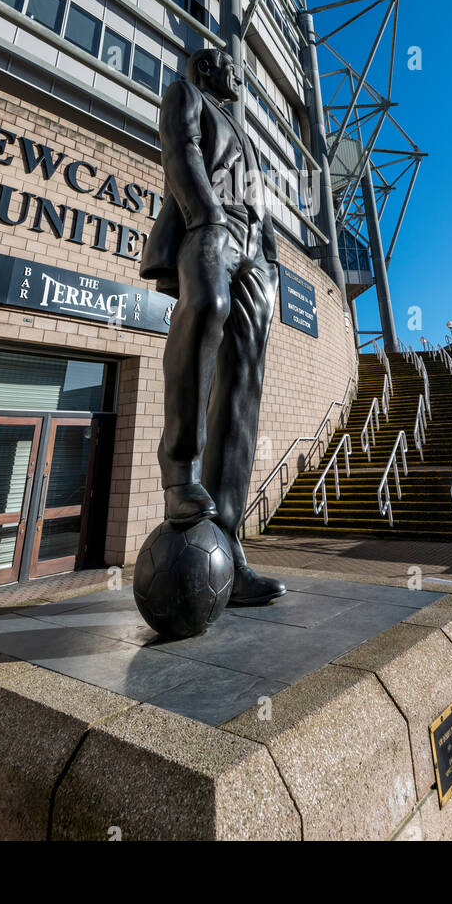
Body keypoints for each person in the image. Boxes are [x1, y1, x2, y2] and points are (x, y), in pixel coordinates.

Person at [141, 47, 286, 605]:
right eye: (228, 63)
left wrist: (270, 258)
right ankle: (178, 469)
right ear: (206, 69)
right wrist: (207, 217)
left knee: (243, 384)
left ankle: (228, 545)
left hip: (254, 251)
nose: (238, 71)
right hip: (210, 228)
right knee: (205, 310)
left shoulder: (247, 135)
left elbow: (261, 201)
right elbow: (180, 153)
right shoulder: (186, 95)